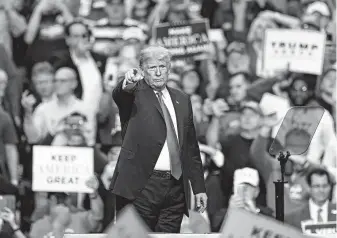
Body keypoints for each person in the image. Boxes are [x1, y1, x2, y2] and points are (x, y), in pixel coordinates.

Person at [110, 45, 207, 233]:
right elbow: (120, 94)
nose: (157, 73)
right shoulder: (135, 93)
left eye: (162, 67)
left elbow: (190, 148)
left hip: (175, 188)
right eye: (152, 68)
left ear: (169, 69)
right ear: (143, 70)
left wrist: (199, 187)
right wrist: (127, 81)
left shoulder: (182, 99)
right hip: (140, 187)